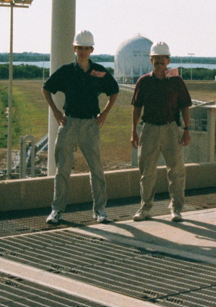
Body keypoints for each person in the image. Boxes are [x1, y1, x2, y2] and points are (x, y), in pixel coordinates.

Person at [43, 30, 119, 225]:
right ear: (74, 49)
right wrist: (56, 112)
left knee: (96, 168)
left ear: (92, 49)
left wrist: (104, 113)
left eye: (86, 48)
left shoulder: (100, 72)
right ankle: (57, 210)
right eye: (80, 48)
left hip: (90, 124)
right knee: (62, 169)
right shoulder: (66, 71)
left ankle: (100, 210)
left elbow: (114, 91)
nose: (83, 52)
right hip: (69, 123)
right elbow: (46, 88)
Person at [131, 41, 192, 222]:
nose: (159, 61)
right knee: (147, 172)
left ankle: (176, 208)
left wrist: (186, 130)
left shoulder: (176, 81)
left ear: (168, 60)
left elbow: (185, 107)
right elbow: (136, 108)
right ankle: (145, 208)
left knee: (176, 170)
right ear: (151, 60)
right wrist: (133, 131)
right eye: (156, 58)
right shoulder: (144, 81)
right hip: (149, 129)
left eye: (162, 58)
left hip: (171, 129)